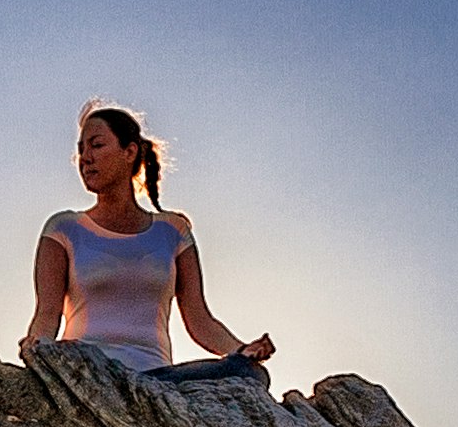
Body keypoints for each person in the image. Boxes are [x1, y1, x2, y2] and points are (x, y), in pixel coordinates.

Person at [25, 104, 275, 382]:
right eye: (81, 149)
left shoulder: (172, 231)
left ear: (129, 152)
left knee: (250, 374)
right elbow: (47, 314)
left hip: (159, 380)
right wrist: (36, 347)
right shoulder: (63, 228)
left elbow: (200, 320)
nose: (85, 158)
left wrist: (242, 351)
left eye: (96, 145)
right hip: (89, 375)